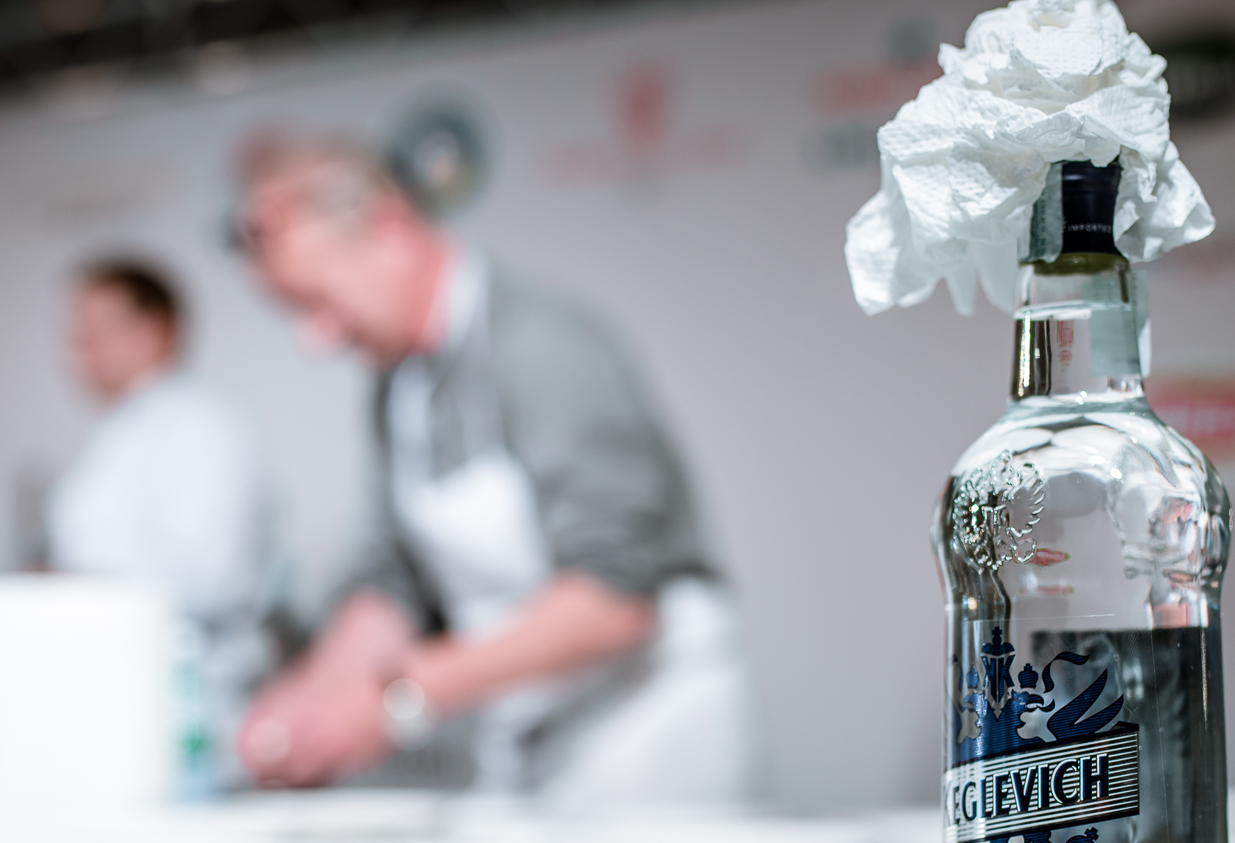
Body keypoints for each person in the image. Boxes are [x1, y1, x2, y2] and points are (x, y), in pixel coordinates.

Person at [231, 134, 753, 804]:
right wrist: (314, 696)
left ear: (391, 230)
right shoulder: (396, 387)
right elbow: (397, 578)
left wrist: (397, 699)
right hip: (533, 726)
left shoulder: (543, 343)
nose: (316, 339)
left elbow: (615, 598)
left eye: (319, 301)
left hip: (647, 726)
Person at [45, 258, 274, 786]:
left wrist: (71, 588)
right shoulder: (113, 436)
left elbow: (203, 577)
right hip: (107, 700)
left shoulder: (203, 426)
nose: (76, 352)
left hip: (185, 708)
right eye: (74, 334)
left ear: (154, 332)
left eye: (93, 332)